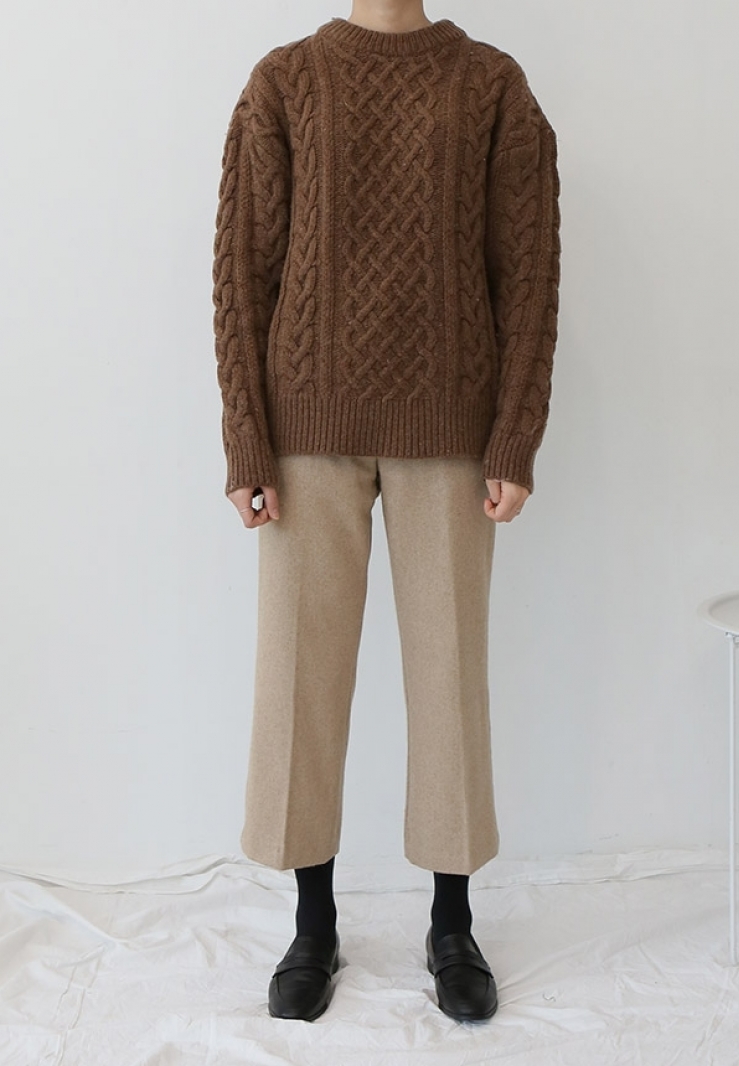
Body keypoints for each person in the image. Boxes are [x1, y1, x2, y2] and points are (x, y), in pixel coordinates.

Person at [212, 0, 560, 1024]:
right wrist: (245, 437)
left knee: (449, 673)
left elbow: (528, 274)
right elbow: (242, 272)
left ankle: (451, 922)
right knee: (298, 675)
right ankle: (311, 921)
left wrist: (514, 435)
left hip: (449, 429)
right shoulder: (284, 81)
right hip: (303, 431)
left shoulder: (492, 86)